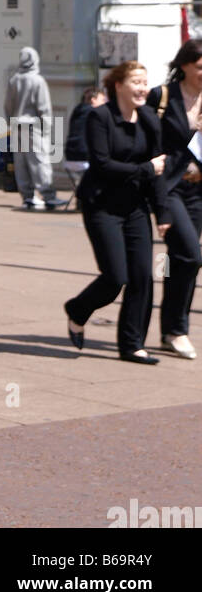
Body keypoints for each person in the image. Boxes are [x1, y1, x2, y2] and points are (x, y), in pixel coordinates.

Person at [64, 61, 170, 364]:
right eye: (136, 81)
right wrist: (145, 168)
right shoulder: (99, 117)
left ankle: (132, 344)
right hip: (102, 205)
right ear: (119, 85)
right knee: (115, 277)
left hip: (135, 206)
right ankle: (78, 309)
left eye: (145, 81)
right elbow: (102, 164)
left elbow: (158, 168)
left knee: (142, 278)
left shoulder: (149, 118)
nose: (143, 87)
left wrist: (163, 213)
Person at [147, 39, 202, 360]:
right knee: (192, 256)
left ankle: (172, 330)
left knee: (182, 259)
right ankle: (176, 329)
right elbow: (148, 140)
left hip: (198, 190)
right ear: (184, 66)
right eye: (199, 66)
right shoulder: (163, 96)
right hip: (171, 186)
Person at [4, 46, 67, 210]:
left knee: (21, 163)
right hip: (34, 127)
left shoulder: (14, 80)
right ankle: (49, 196)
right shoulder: (37, 81)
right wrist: (47, 129)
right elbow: (44, 108)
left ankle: (27, 196)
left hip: (17, 126)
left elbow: (8, 106)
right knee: (40, 162)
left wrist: (10, 122)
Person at [65, 86, 107, 161]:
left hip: (70, 155)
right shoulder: (94, 113)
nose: (105, 103)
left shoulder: (77, 110)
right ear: (93, 100)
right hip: (85, 156)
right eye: (103, 100)